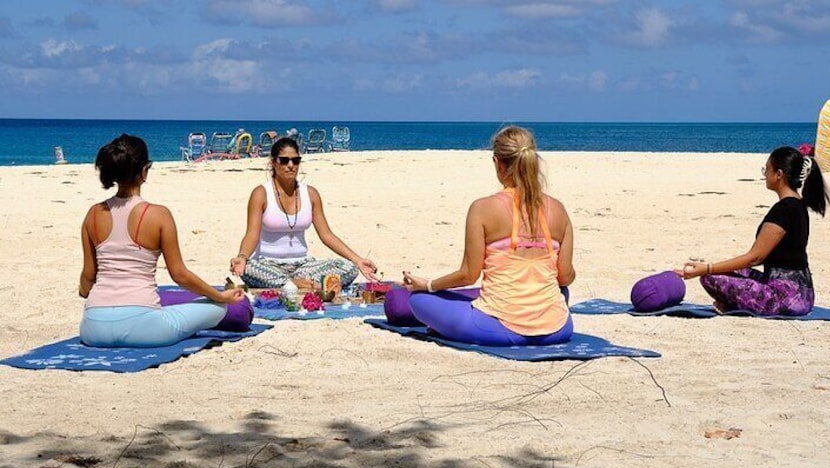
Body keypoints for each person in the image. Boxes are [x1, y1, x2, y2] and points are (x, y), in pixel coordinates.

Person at [402, 125, 575, 346]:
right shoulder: (558, 209)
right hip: (559, 328)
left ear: (497, 163)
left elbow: (468, 275)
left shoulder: (482, 208)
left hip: (499, 327)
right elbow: (565, 277)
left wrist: (427, 285)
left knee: (419, 301)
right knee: (560, 291)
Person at [79, 134, 245, 347]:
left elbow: (88, 277)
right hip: (143, 328)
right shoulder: (158, 215)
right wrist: (220, 297)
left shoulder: (93, 214)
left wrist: (86, 292)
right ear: (144, 170)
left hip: (93, 329)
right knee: (216, 309)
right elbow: (180, 275)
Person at [676, 146, 830, 316]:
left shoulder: (784, 209)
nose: (765, 174)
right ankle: (732, 303)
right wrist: (712, 267)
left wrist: (706, 269)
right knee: (725, 272)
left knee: (710, 278)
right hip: (801, 293)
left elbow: (755, 257)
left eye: (767, 169)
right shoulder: (798, 205)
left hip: (787, 298)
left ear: (778, 174)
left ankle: (734, 305)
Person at [229, 136, 377, 290]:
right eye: (284, 160)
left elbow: (326, 235)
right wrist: (242, 257)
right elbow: (252, 234)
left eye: (295, 160)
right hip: (267, 265)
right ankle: (297, 285)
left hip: (302, 267)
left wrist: (358, 260)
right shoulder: (261, 193)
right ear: (274, 162)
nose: (291, 165)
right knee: (248, 269)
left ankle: (291, 284)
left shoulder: (310, 193)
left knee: (349, 268)